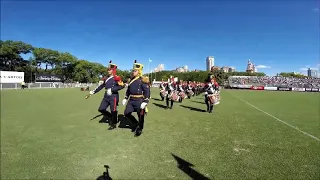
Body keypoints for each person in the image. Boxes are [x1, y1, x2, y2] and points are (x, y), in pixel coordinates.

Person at [86, 60, 125, 130]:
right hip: (106, 95)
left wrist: (112, 90)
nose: (108, 71)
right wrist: (94, 91)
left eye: (110, 70)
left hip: (114, 96)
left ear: (113, 70)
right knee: (101, 109)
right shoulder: (106, 78)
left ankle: (114, 123)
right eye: (108, 70)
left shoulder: (117, 78)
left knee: (113, 110)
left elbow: (122, 86)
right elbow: (101, 86)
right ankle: (111, 116)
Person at [122, 60, 151, 137]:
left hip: (139, 100)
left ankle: (140, 129)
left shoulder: (143, 80)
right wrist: (125, 98)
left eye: (135, 71)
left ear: (139, 72)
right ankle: (135, 123)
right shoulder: (131, 80)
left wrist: (145, 101)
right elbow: (128, 90)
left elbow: (147, 91)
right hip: (131, 100)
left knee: (141, 116)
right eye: (133, 71)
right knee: (126, 113)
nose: (133, 72)